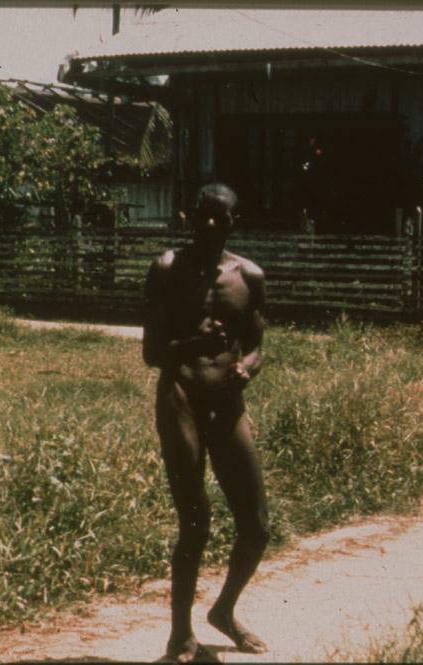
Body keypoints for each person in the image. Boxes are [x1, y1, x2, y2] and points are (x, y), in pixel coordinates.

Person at [143, 182, 270, 661]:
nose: (209, 224)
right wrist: (191, 348)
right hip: (181, 398)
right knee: (195, 522)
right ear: (188, 217)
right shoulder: (166, 269)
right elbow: (151, 353)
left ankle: (224, 611)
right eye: (202, 214)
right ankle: (180, 634)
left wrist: (248, 367)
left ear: (235, 222)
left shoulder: (250, 276)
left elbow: (257, 344)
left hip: (227, 404)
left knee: (257, 526)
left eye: (220, 216)